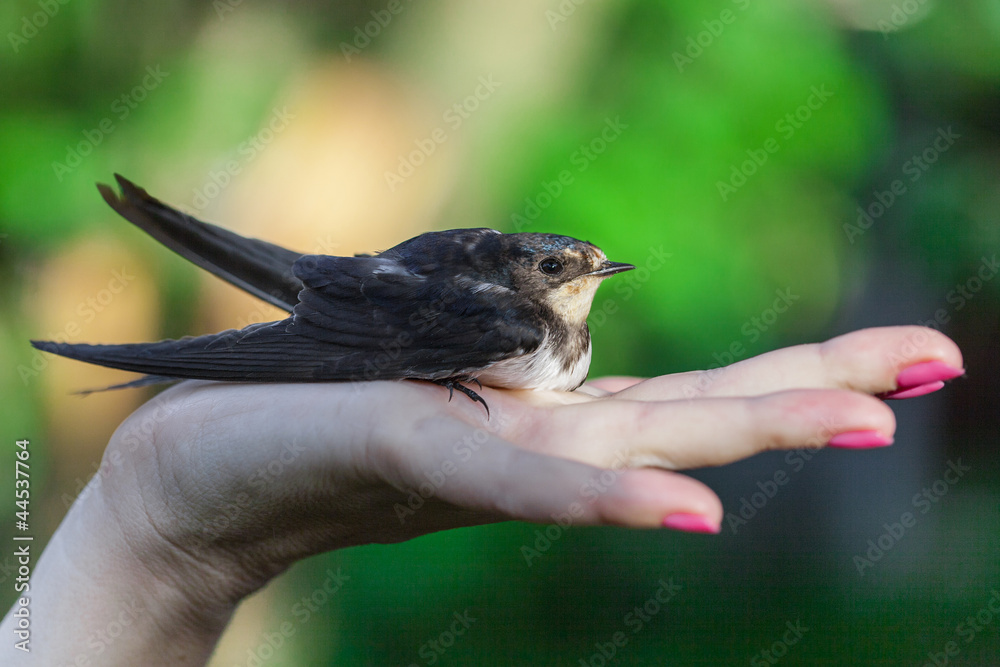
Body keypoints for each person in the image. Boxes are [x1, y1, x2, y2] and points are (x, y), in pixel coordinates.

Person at [0, 326, 963, 665]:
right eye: (560, 269)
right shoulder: (498, 316)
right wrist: (153, 537)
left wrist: (149, 544)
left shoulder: (553, 334)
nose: (585, 281)